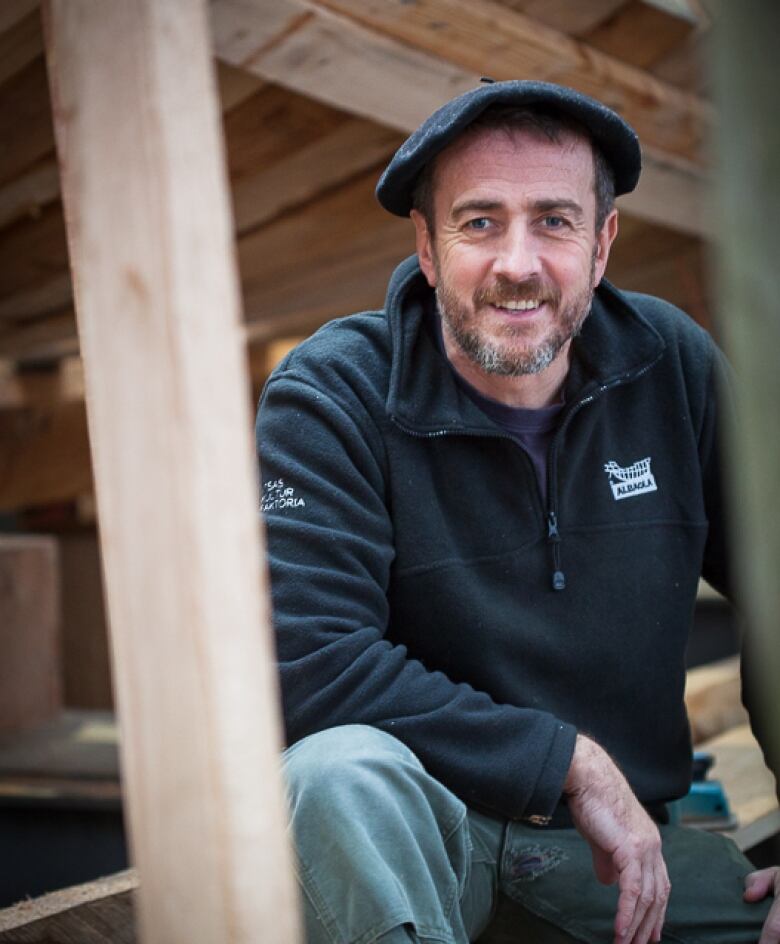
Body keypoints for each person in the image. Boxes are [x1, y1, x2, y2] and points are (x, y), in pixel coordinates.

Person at [256, 80, 779, 944]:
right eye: (480, 221)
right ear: (426, 245)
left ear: (603, 243)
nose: (518, 262)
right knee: (334, 769)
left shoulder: (672, 368)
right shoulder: (331, 394)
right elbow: (308, 665)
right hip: (425, 846)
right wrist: (564, 761)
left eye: (554, 221)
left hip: (618, 858)